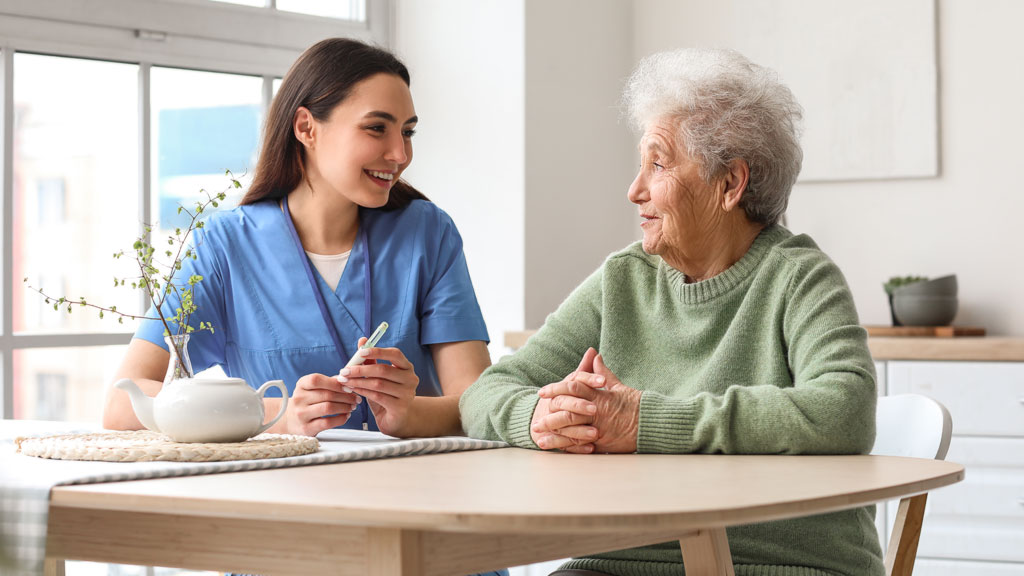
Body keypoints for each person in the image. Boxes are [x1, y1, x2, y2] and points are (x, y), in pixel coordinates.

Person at [459, 48, 882, 576]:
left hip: (778, 564)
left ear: (731, 184)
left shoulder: (798, 277)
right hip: (623, 560)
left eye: (657, 164)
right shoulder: (624, 278)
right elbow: (485, 393)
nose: (634, 190)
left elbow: (844, 410)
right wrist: (540, 419)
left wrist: (646, 421)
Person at [104, 37, 493, 442]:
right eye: (377, 128)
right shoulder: (223, 246)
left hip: (414, 490)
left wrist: (409, 415)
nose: (400, 153)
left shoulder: (427, 234)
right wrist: (277, 414)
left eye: (408, 132)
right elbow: (122, 404)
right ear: (306, 127)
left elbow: (480, 402)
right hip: (280, 492)